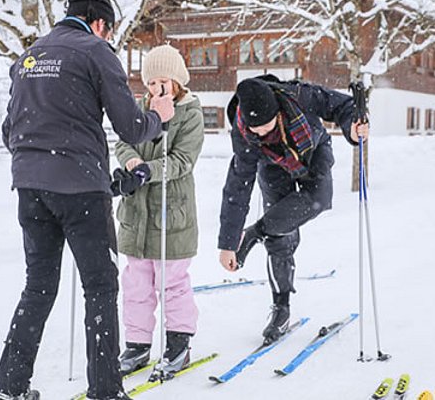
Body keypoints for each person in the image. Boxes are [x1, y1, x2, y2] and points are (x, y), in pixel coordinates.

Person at [0, 0, 174, 400]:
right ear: (99, 23)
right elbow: (130, 125)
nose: (109, 37)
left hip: (30, 186)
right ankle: (106, 391)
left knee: (38, 285)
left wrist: (38, 158)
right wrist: (159, 116)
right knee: (100, 286)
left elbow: (9, 130)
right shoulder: (96, 52)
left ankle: (11, 385)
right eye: (109, 30)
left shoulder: (29, 57)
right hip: (80, 189)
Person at [217, 75, 368, 344]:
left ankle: (255, 232)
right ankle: (281, 307)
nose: (261, 133)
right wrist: (228, 242)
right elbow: (237, 187)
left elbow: (342, 106)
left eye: (266, 126)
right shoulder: (244, 134)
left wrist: (353, 128)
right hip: (272, 166)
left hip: (312, 150)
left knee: (318, 198)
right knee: (279, 237)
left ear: (277, 111)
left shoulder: (301, 97)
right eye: (256, 130)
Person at [110, 45, 204, 378]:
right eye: (151, 83)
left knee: (172, 282)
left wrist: (149, 170)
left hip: (170, 213)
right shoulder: (139, 108)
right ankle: (137, 344)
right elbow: (123, 141)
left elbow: (182, 161)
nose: (156, 89)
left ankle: (179, 343)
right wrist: (132, 162)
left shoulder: (191, 114)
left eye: (163, 81)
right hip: (137, 215)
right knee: (136, 282)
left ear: (177, 82)